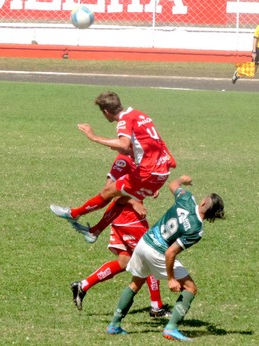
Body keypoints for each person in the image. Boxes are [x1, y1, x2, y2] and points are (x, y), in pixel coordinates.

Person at [106, 175, 225, 342]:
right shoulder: (196, 229)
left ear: (204, 203)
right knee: (190, 288)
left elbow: (173, 184)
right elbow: (170, 253)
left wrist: (182, 180)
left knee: (136, 283)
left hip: (144, 243)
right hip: (157, 252)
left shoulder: (187, 198)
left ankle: (114, 325)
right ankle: (171, 328)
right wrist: (171, 279)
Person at [50, 91, 176, 241]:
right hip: (162, 171)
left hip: (148, 172)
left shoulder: (124, 120)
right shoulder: (140, 115)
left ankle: (73, 214)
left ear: (106, 112)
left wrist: (94, 137)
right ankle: (94, 232)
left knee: (108, 191)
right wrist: (126, 149)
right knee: (121, 199)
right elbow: (142, 145)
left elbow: (123, 143)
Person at [69, 153, 170, 317]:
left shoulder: (137, 158)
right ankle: (156, 307)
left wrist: (149, 190)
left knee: (124, 262)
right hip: (129, 219)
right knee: (151, 256)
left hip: (121, 220)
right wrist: (134, 202)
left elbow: (134, 184)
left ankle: (83, 285)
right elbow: (112, 192)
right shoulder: (123, 160)